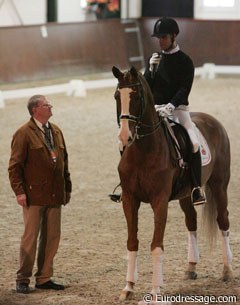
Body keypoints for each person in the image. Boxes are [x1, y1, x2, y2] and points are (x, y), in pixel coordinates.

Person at [8, 95, 72, 294]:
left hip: (55, 194)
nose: (50, 106)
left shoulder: (56, 130)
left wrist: (67, 188)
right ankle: (23, 279)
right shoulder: (23, 133)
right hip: (33, 196)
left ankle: (44, 278)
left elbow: (64, 162)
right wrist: (19, 192)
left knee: (52, 237)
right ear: (35, 110)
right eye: (46, 104)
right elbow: (14, 167)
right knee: (30, 238)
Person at [144, 17, 206, 205]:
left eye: (163, 37)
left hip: (177, 109)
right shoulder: (155, 59)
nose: (160, 41)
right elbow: (146, 86)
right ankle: (127, 184)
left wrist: (171, 105)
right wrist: (150, 69)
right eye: (158, 38)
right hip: (154, 109)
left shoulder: (185, 61)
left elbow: (184, 88)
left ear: (174, 36)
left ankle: (196, 188)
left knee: (193, 142)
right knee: (130, 137)